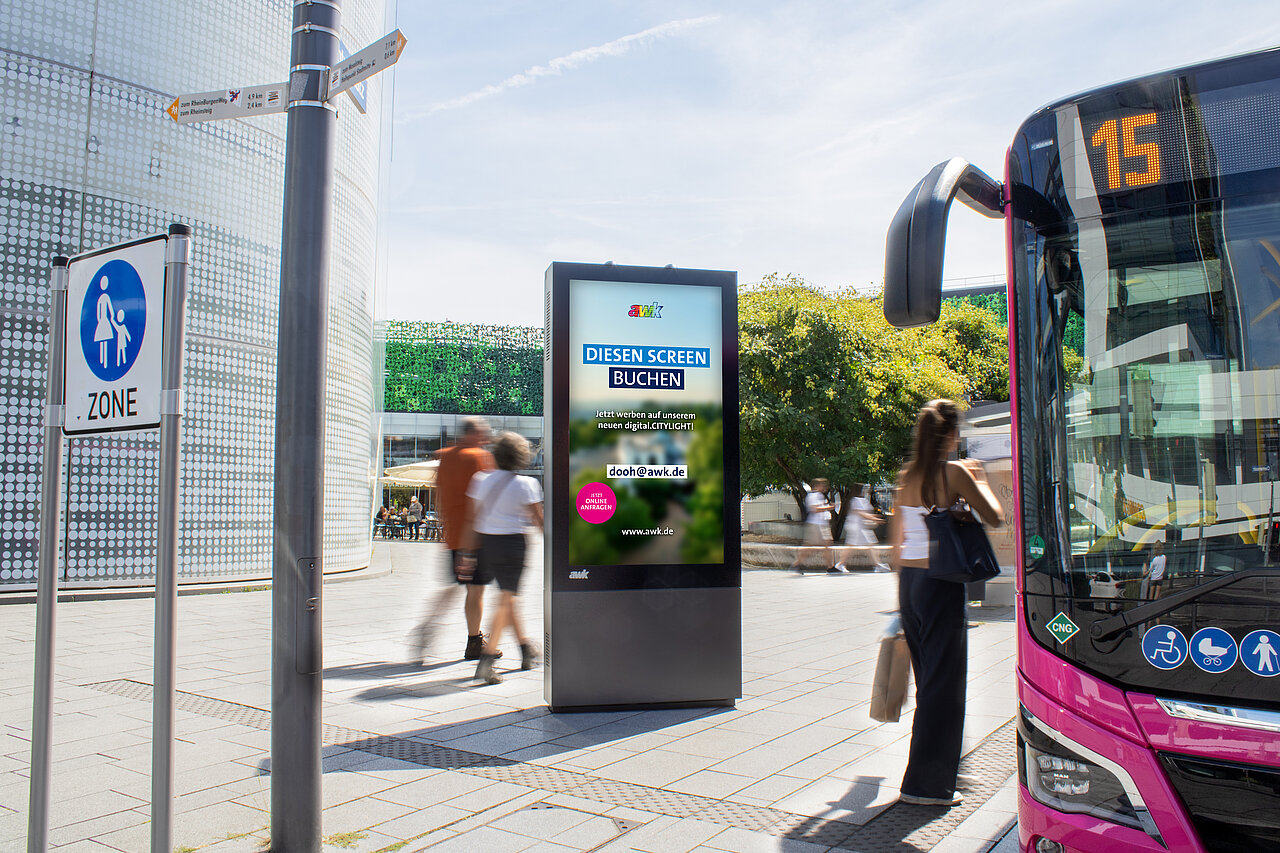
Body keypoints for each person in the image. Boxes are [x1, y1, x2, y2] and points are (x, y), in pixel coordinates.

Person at [888, 399, 1003, 807]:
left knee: (929, 684)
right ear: (952, 434)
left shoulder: (907, 476)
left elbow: (896, 545)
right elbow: (995, 516)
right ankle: (926, 786)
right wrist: (980, 478)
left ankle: (932, 774)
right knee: (944, 688)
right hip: (940, 586)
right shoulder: (954, 471)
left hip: (911, 585)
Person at [408, 417, 496, 663]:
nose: (486, 439)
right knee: (476, 590)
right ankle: (474, 642)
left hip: (453, 536)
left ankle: (429, 625)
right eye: (483, 434)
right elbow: (485, 500)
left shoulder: (444, 457)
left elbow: (438, 497)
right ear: (472, 434)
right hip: (475, 537)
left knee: (456, 586)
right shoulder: (478, 457)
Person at [462, 432, 544, 684]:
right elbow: (539, 521)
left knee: (508, 600)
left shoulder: (480, 480)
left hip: (485, 544)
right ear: (520, 457)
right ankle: (486, 662)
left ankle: (525, 649)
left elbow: (471, 519)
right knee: (506, 599)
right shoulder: (527, 484)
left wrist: (465, 554)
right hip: (512, 546)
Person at [836, 483, 888, 572]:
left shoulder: (861, 500)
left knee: (869, 545)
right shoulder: (856, 500)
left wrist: (874, 518)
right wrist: (875, 519)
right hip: (856, 527)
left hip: (861, 527)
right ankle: (840, 564)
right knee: (853, 546)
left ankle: (877, 564)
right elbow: (861, 513)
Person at [791, 478, 836, 574]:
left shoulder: (819, 496)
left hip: (821, 525)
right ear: (816, 486)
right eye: (822, 485)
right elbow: (814, 509)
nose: (824, 487)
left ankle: (830, 566)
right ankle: (796, 564)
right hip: (815, 525)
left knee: (827, 544)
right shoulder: (812, 496)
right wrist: (829, 507)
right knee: (810, 546)